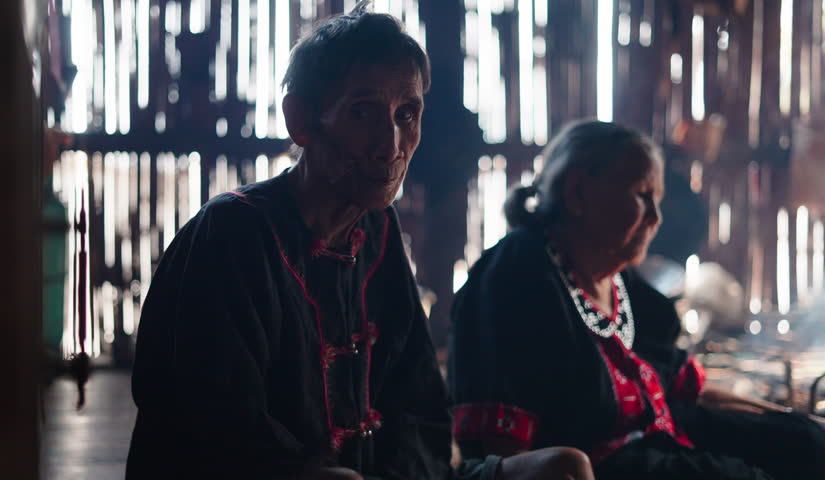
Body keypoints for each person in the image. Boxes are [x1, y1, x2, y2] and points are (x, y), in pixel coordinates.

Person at [126, 4, 592, 479]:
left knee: (563, 466)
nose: (390, 145)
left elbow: (417, 404)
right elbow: (218, 430)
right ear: (301, 121)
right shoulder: (234, 234)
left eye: (406, 114)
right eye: (363, 112)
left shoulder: (375, 231)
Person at [448, 120, 825, 480]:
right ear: (577, 193)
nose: (656, 218)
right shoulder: (515, 279)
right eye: (642, 194)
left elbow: (686, 389)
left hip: (663, 440)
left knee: (815, 448)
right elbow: (498, 448)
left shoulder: (620, 283)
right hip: (606, 465)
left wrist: (800, 421)